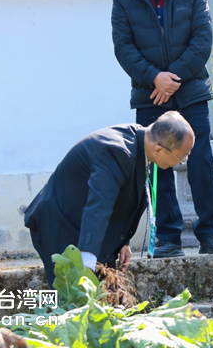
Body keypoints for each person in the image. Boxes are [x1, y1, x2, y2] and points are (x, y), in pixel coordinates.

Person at [111, 0, 213, 258]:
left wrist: (171, 78)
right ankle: (168, 237)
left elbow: (202, 41)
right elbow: (123, 48)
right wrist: (155, 78)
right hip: (150, 95)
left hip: (190, 91)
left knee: (200, 160)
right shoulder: (123, 0)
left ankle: (210, 234)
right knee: (156, 165)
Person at [24, 111, 194, 285]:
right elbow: (99, 206)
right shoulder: (116, 152)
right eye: (182, 156)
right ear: (159, 149)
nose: (183, 161)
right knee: (74, 294)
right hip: (61, 223)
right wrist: (87, 259)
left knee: (105, 295)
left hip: (87, 226)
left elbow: (122, 197)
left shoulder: (141, 142)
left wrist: (124, 242)